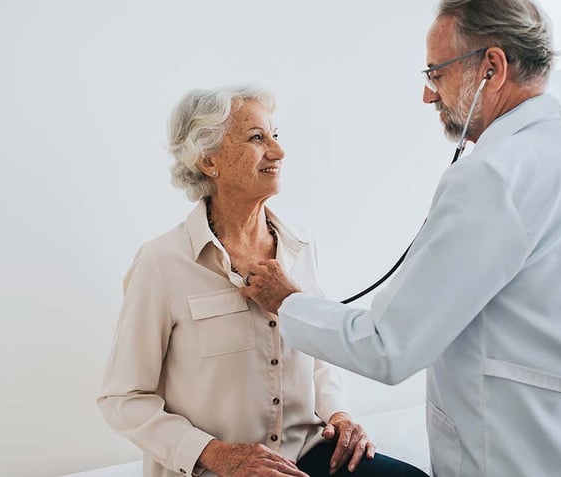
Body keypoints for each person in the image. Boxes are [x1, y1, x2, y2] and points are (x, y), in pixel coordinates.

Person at [240, 1, 561, 476]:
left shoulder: (492, 175)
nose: (429, 95)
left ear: (492, 67)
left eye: (437, 73)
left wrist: (286, 301)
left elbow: (388, 346)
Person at [97, 86, 428, 477]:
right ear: (209, 161)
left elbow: (316, 355)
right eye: (257, 138)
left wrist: (339, 414)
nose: (278, 151)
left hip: (306, 452)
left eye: (275, 135)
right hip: (216, 468)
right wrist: (215, 454)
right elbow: (123, 398)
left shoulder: (299, 246)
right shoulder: (161, 262)